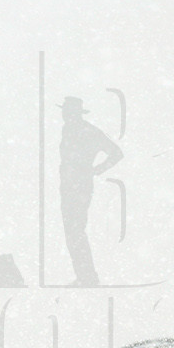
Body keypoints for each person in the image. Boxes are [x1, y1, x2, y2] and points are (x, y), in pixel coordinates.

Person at [58, 96, 122, 287]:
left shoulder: (90, 131)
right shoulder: (67, 130)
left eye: (68, 111)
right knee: (72, 232)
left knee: (76, 231)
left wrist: (96, 170)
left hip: (79, 187)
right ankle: (84, 276)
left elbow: (116, 153)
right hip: (68, 187)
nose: (65, 115)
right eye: (64, 111)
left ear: (75, 113)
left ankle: (87, 277)